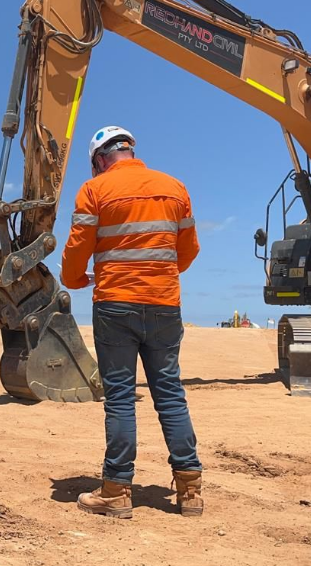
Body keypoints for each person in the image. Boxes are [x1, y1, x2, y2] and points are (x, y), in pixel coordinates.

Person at [60, 125, 203, 519]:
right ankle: (190, 491)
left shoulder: (95, 190)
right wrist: (160, 273)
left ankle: (117, 490)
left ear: (100, 159)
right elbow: (187, 250)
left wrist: (73, 280)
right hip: (164, 304)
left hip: (115, 304)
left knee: (121, 398)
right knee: (170, 394)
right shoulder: (175, 188)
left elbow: (78, 247)